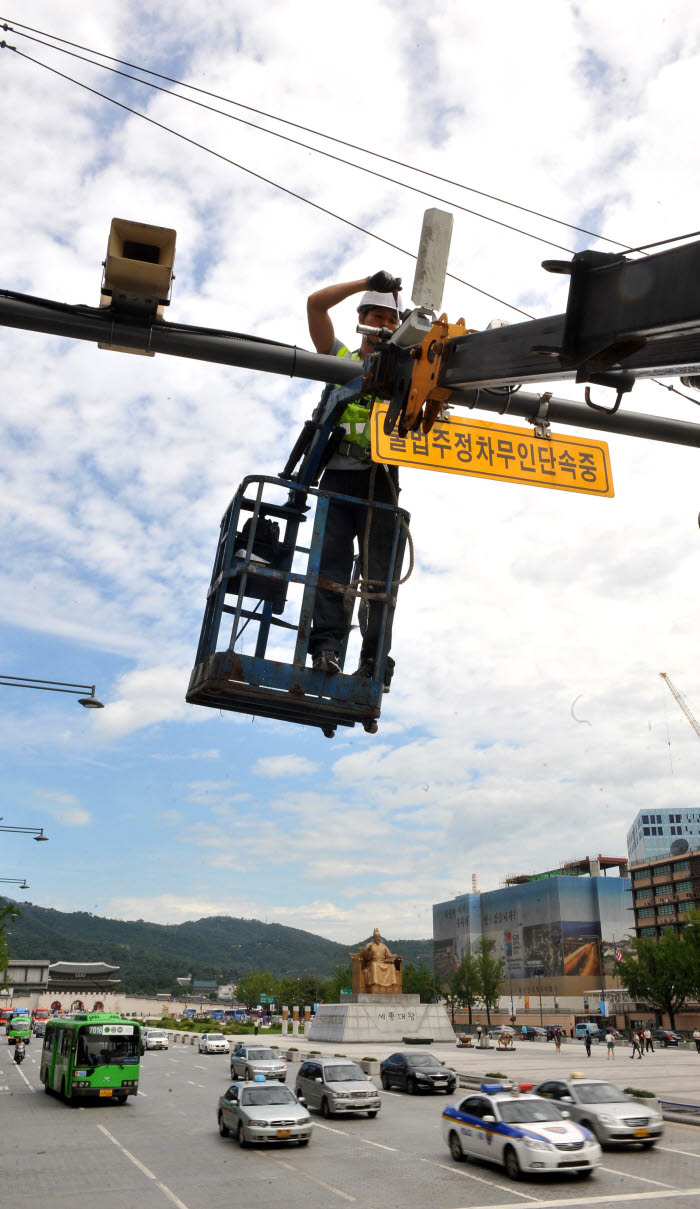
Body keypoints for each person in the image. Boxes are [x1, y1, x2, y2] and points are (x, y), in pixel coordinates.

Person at [306, 271, 403, 686]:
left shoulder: (407, 373)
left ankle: (374, 660)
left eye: (390, 319)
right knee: (331, 566)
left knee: (380, 577)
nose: (383, 325)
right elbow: (315, 305)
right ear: (361, 317)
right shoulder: (340, 357)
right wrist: (367, 280)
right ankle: (326, 649)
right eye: (376, 316)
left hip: (382, 482)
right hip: (339, 479)